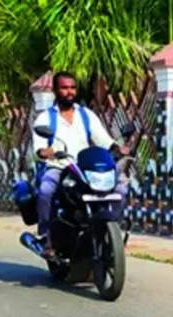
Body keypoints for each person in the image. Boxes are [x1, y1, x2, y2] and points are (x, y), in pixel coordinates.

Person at [32, 71, 129, 259]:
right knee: (45, 190)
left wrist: (118, 148)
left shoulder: (86, 115)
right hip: (60, 165)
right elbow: (38, 148)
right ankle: (46, 236)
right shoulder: (45, 118)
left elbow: (103, 139)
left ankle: (114, 230)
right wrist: (45, 152)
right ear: (55, 90)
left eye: (72, 87)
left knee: (121, 188)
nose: (69, 92)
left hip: (86, 167)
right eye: (64, 88)